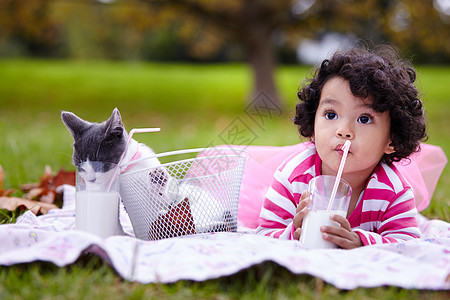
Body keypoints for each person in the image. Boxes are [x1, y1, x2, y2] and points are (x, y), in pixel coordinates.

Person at [255, 46, 427, 249]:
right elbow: (263, 236)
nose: (344, 131)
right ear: (312, 122)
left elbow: (408, 245)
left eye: (364, 119)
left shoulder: (393, 192)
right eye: (331, 115)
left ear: (392, 139)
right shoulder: (293, 178)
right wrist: (294, 233)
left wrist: (361, 242)